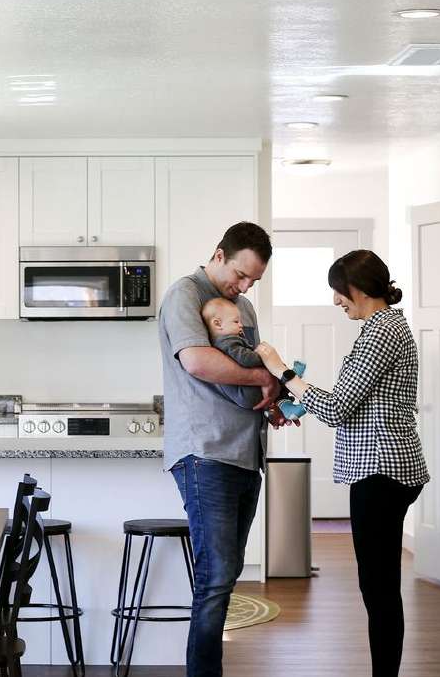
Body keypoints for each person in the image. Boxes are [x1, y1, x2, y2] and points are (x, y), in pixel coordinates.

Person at [254, 249, 430, 677]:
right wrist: (294, 397)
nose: (335, 301)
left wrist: (281, 370)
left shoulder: (381, 332)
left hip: (381, 471)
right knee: (380, 584)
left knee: (379, 587)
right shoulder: (386, 326)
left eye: (338, 292)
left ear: (357, 288)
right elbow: (348, 402)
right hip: (391, 467)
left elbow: (337, 409)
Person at [158, 221, 284, 677]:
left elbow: (246, 367)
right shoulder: (183, 296)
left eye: (254, 280)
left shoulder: (243, 307)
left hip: (245, 453)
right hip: (205, 452)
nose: (245, 286)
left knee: (225, 577)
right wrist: (265, 379)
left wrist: (270, 403)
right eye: (241, 274)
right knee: (214, 579)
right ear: (218, 254)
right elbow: (199, 361)